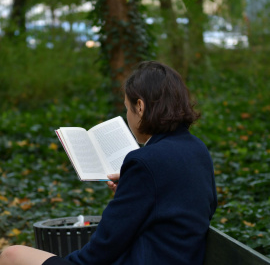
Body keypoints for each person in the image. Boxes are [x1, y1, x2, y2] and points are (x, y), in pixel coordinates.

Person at [0, 61, 217, 265]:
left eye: (127, 107)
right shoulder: (198, 149)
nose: (127, 115)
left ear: (140, 107)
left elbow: (104, 246)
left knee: (12, 254)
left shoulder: (144, 161)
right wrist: (131, 187)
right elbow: (193, 207)